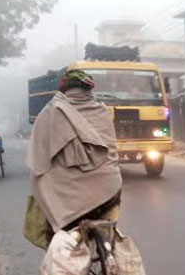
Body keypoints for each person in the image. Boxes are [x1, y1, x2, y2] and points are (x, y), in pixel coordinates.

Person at [27, 69, 122, 256]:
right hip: (108, 192)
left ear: (64, 89)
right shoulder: (102, 111)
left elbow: (37, 158)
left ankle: (56, 244)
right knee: (113, 185)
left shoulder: (51, 111)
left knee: (41, 182)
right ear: (89, 89)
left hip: (67, 202)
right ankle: (108, 250)